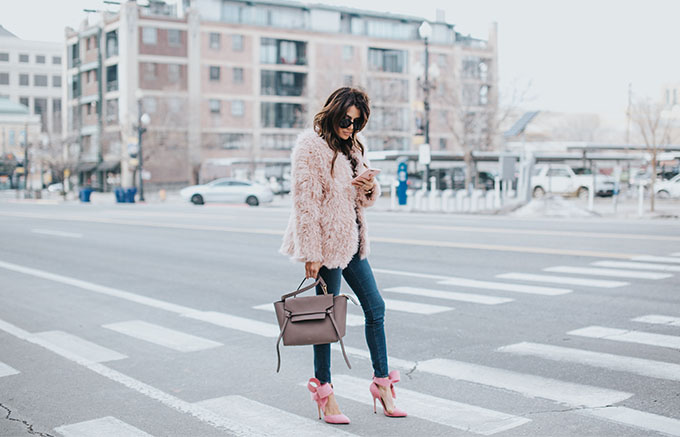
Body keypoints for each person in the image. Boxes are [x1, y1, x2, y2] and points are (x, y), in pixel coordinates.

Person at [280, 87, 407, 425]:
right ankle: (324, 391)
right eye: (346, 119)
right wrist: (311, 252)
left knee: (375, 307)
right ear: (333, 113)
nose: (351, 126)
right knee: (326, 320)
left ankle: (382, 384)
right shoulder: (310, 146)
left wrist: (367, 188)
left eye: (357, 122)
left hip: (351, 241)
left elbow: (363, 199)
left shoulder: (354, 147)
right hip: (324, 245)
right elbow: (305, 202)